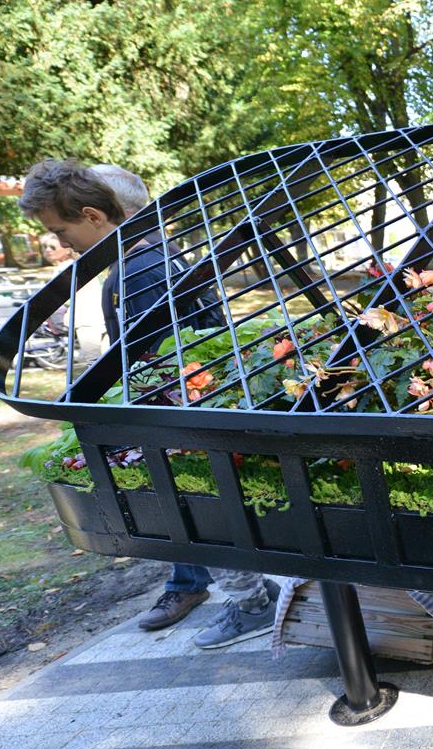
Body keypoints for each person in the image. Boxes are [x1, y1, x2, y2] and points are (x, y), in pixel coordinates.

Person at [18, 159, 277, 649]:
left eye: (60, 231)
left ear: (93, 216)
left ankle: (252, 606)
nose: (62, 244)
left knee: (199, 514)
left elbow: (156, 357)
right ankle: (244, 595)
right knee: (201, 511)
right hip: (186, 405)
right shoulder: (146, 258)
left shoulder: (139, 269)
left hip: (177, 412)